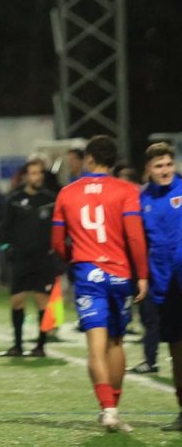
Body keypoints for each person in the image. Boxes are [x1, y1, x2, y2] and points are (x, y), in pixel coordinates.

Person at [51, 135, 148, 433]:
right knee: (116, 343)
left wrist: (73, 258)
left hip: (87, 273)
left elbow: (57, 242)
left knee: (95, 346)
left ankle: (106, 409)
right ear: (114, 161)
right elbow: (134, 237)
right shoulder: (127, 191)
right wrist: (141, 274)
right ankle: (114, 408)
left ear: (89, 159)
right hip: (119, 274)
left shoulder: (67, 193)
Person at [139, 142, 182, 429]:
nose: (164, 170)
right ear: (149, 170)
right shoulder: (141, 200)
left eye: (168, 164)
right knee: (176, 351)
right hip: (165, 287)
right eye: (158, 166)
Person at [0, 159, 59, 358]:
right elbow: (4, 228)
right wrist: (7, 248)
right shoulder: (14, 200)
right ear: (25, 176)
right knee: (17, 301)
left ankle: (40, 346)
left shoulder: (51, 199)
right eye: (33, 173)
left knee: (42, 301)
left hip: (43, 258)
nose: (37, 176)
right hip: (21, 258)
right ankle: (17, 345)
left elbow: (57, 229)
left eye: (39, 173)